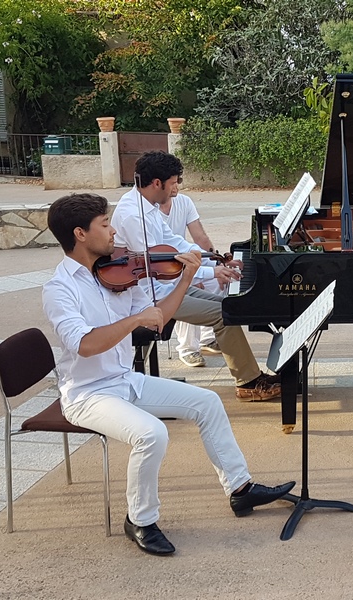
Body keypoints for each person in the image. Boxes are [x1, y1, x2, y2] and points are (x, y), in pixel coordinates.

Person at [42, 193, 295, 555]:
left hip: (125, 381)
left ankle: (240, 490)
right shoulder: (59, 289)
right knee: (152, 434)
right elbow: (84, 344)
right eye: (105, 225)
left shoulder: (115, 275)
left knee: (207, 402)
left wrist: (187, 276)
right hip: (87, 395)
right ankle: (140, 520)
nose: (114, 231)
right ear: (80, 234)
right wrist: (133, 320)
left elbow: (158, 316)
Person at [111, 150, 280, 401]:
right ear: (157, 183)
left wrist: (215, 258)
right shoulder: (134, 216)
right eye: (173, 182)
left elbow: (173, 241)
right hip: (151, 297)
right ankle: (248, 382)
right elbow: (163, 263)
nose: (175, 188)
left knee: (229, 304)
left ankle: (252, 375)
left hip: (169, 285)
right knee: (226, 315)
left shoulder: (145, 203)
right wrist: (212, 271)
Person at [158, 182, 221, 368]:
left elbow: (199, 237)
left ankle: (208, 338)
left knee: (220, 280)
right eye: (172, 182)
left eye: (178, 181)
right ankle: (188, 348)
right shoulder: (149, 211)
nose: (176, 186)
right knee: (188, 288)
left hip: (186, 262)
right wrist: (196, 276)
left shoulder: (184, 202)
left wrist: (217, 262)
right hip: (165, 271)